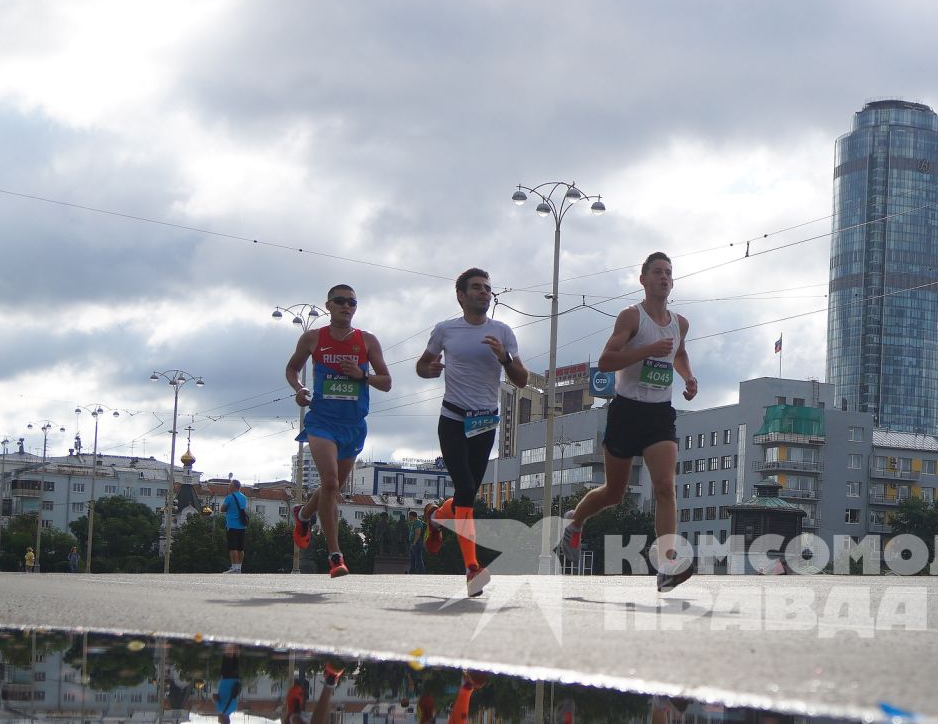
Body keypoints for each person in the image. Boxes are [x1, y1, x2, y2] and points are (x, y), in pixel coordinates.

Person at [558, 252, 698, 593]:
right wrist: (646, 350)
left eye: (669, 273)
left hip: (659, 414)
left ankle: (666, 565)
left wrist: (689, 377)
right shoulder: (630, 317)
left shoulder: (680, 323)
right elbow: (606, 361)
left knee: (665, 485)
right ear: (643, 280)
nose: (664, 277)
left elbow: (677, 352)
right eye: (657, 272)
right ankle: (574, 526)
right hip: (626, 411)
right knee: (614, 493)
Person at [416, 268, 532, 597]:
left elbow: (521, 380)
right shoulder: (445, 330)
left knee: (467, 495)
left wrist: (505, 358)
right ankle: (472, 568)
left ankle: (437, 517)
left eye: (488, 288)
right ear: (461, 296)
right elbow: (421, 366)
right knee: (465, 487)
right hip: (452, 418)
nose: (484, 293)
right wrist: (431, 369)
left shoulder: (503, 332)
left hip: (484, 423)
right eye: (477, 288)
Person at [285, 284, 392, 578]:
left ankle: (304, 514)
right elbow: (292, 369)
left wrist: (363, 375)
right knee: (330, 482)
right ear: (329, 305)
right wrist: (299, 388)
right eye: (340, 301)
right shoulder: (312, 338)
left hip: (353, 425)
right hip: (321, 421)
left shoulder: (367, 341)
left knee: (335, 487)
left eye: (352, 302)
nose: (347, 306)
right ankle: (336, 556)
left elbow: (386, 381)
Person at [220, 478, 250, 573]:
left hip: (232, 525)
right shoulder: (244, 497)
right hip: (242, 525)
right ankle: (239, 568)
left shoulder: (230, 497)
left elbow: (222, 509)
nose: (229, 486)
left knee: (232, 547)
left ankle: (234, 567)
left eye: (230, 485)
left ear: (233, 486)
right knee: (240, 548)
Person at [215, 643, 242, 724]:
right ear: (224, 720)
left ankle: (236, 647)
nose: (218, 720)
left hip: (236, 680)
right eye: (220, 721)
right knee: (227, 661)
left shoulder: (234, 709)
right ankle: (229, 646)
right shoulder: (220, 709)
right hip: (226, 680)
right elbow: (214, 697)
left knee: (235, 662)